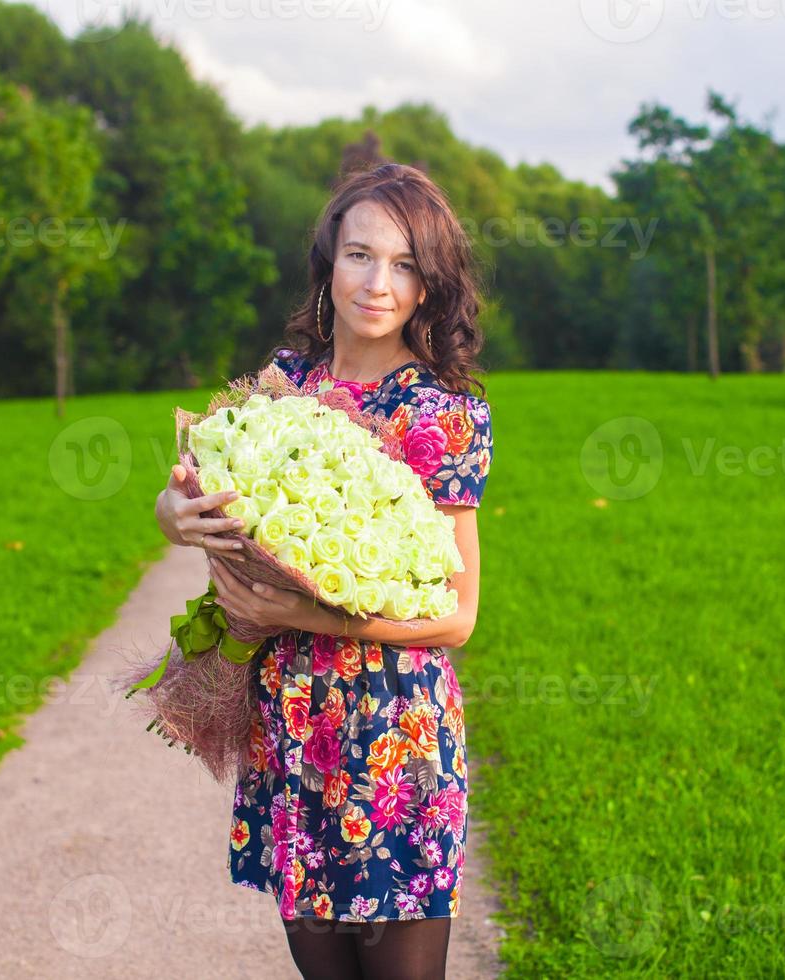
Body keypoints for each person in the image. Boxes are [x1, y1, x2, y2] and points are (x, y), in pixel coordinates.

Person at [154, 163, 493, 979]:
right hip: (292, 732)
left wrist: (297, 618)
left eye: (406, 265)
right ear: (327, 263)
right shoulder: (281, 387)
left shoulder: (439, 416)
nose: (379, 283)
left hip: (395, 740)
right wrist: (172, 516)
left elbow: (456, 618)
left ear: (428, 287)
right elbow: (211, 496)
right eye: (360, 256)